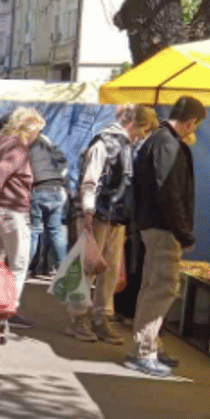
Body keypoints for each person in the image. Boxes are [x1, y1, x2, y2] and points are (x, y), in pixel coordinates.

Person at [126, 96, 206, 377]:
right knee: (162, 288)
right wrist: (184, 233)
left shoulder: (157, 139)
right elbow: (168, 190)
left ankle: (147, 344)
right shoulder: (167, 143)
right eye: (196, 125)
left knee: (152, 286)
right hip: (164, 228)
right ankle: (144, 351)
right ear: (191, 122)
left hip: (153, 226)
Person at [66, 104, 159, 344]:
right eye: (144, 130)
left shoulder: (128, 146)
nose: (143, 135)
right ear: (134, 124)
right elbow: (90, 180)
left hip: (115, 217)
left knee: (110, 269)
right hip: (97, 214)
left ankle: (102, 316)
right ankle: (78, 316)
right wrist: (88, 213)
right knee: (87, 265)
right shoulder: (103, 143)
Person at [0, 107, 45, 329]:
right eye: (37, 131)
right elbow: (0, 172)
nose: (38, 135)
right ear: (29, 129)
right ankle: (9, 309)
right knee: (19, 264)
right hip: (11, 211)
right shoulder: (17, 148)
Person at [27, 130, 70, 278]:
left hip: (39, 190)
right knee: (56, 231)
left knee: (34, 231)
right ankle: (63, 269)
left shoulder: (30, 147)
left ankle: (24, 267)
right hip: (57, 190)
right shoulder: (52, 147)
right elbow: (64, 169)